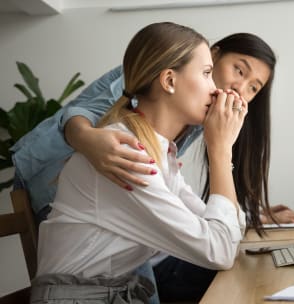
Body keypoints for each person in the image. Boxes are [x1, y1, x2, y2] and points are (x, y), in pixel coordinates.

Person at [31, 22, 247, 304]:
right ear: (169, 81)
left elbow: (230, 232)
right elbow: (219, 251)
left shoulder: (160, 152)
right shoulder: (127, 153)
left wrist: (222, 151)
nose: (215, 89)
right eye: (207, 74)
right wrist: (220, 151)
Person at [12, 34, 294, 229]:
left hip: (110, 202)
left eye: (253, 87)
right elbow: (80, 112)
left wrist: (251, 217)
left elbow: (174, 196)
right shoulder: (161, 70)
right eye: (239, 71)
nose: (239, 88)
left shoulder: (196, 114)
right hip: (49, 179)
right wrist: (88, 140)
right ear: (213, 55)